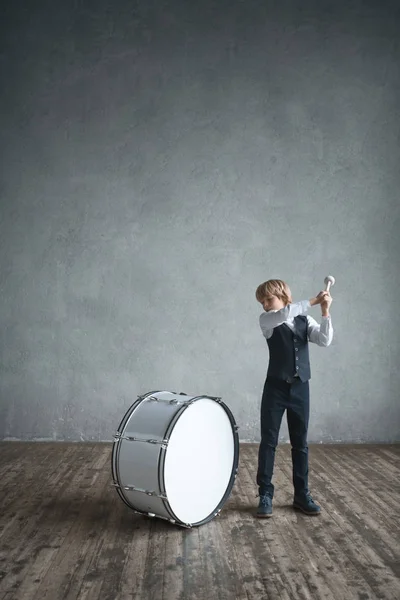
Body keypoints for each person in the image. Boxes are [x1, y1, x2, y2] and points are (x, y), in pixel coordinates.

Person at [254, 279, 333, 518]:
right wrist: (312, 300)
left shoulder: (304, 320)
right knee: (269, 442)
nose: (265, 305)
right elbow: (284, 314)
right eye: (262, 301)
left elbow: (324, 340)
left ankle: (302, 495)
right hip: (275, 389)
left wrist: (325, 310)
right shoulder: (267, 320)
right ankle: (265, 494)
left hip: (301, 389)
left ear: (283, 295)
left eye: (269, 299)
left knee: (301, 444)